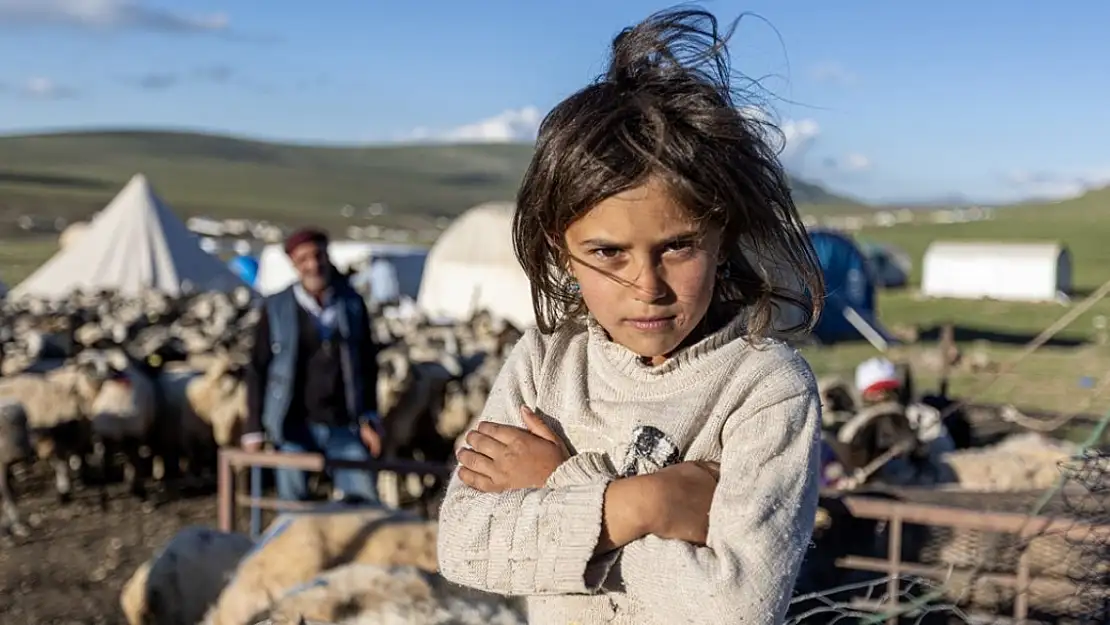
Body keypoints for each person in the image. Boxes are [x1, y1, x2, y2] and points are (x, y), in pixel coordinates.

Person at [436, 7, 826, 625]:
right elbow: (464, 545)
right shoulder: (546, 362)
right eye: (607, 252)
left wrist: (561, 483)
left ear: (722, 236)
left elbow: (737, 610)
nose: (647, 286)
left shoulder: (765, 389)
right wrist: (650, 502)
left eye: (677, 246)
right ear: (561, 249)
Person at [241, 227, 385, 504]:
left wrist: (369, 416)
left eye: (318, 255)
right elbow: (258, 368)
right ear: (294, 264)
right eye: (304, 258)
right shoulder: (276, 307)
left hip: (342, 423)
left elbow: (367, 362)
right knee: (294, 502)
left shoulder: (350, 304)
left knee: (363, 495)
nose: (313, 264)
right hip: (292, 423)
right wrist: (253, 428)